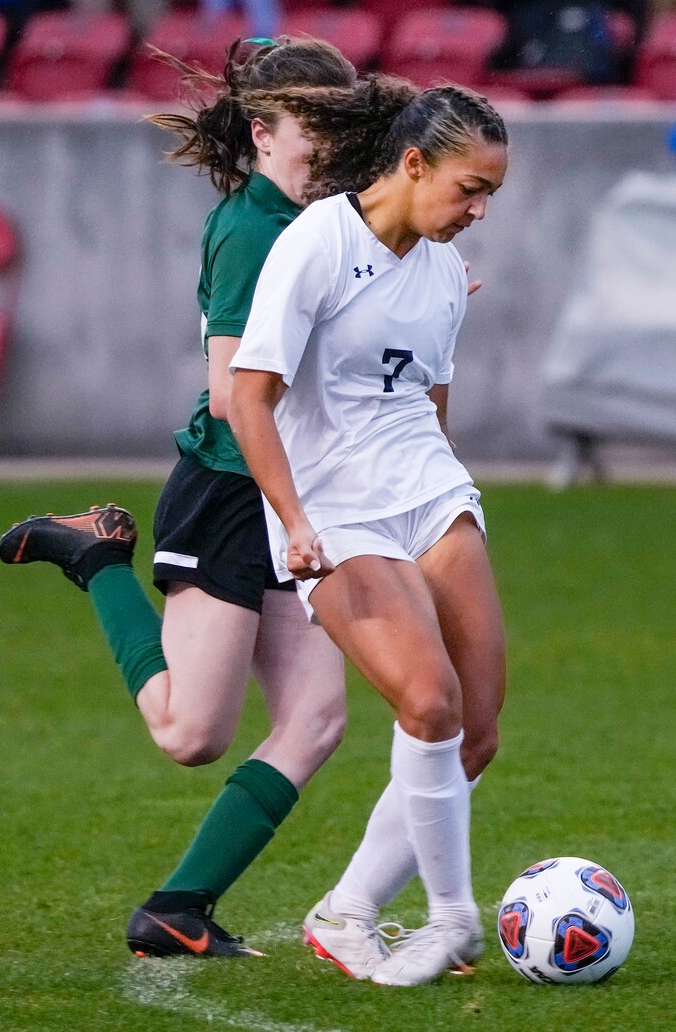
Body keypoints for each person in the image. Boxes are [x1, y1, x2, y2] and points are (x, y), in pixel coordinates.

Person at [0, 36, 362, 961]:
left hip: (292, 496)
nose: (333, 149)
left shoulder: (335, 218)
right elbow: (237, 397)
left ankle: (176, 908)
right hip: (235, 493)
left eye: (344, 128)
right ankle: (95, 562)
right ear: (263, 132)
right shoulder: (251, 230)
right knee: (192, 733)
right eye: (317, 130)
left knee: (318, 717)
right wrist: (295, 510)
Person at [229, 82, 509, 986]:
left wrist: (450, 499)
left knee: (477, 728)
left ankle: (346, 911)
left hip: (425, 488)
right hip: (334, 508)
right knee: (428, 703)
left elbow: (429, 405)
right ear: (414, 163)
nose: (477, 211)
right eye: (470, 189)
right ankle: (452, 918)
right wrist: (294, 520)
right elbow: (248, 397)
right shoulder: (318, 243)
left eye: (490, 196)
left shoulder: (440, 273)